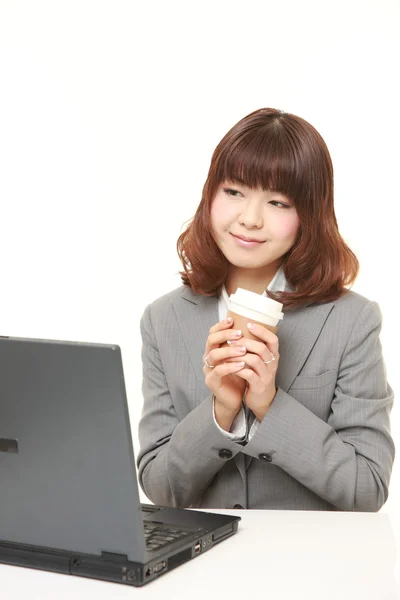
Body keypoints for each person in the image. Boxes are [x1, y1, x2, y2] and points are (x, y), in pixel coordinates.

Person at [136, 107, 395, 511]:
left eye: (277, 202)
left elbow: (367, 490)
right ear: (210, 195)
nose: (250, 219)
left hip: (309, 565)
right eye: (234, 192)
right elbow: (160, 487)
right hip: (202, 567)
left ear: (309, 215)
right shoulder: (164, 319)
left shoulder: (350, 320)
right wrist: (221, 412)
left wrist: (269, 404)